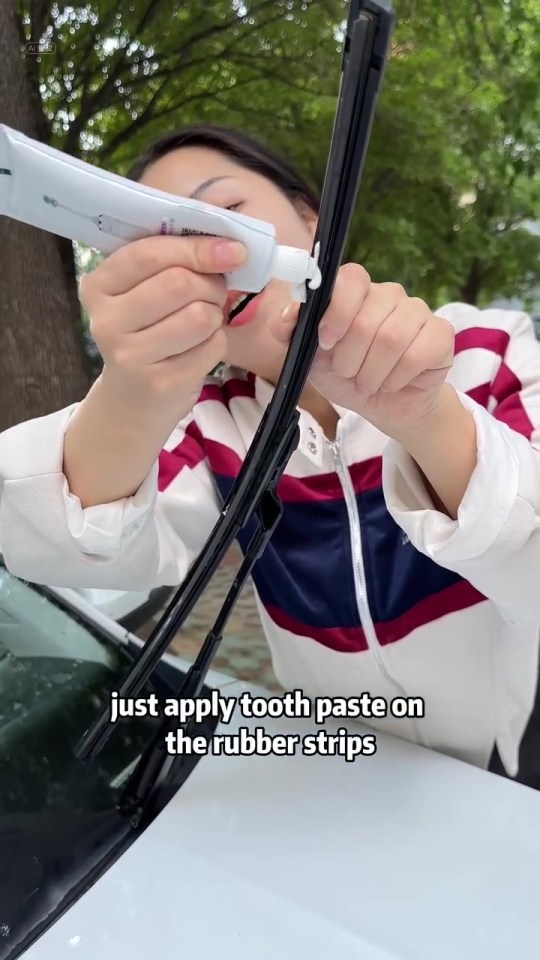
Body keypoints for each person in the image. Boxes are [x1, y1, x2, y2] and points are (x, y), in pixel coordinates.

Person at [1, 125, 540, 786]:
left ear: (311, 219)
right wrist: (132, 394)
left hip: (508, 760)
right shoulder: (206, 426)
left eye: (225, 214)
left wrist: (424, 415)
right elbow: (70, 543)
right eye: (160, 250)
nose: (205, 259)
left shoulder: (489, 351)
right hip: (330, 770)